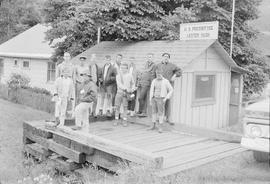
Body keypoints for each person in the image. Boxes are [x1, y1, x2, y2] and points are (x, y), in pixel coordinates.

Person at [156, 53, 182, 124]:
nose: (166, 58)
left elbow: (179, 71)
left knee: (167, 101)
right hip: (160, 86)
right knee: (159, 101)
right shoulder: (158, 65)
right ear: (162, 57)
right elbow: (154, 75)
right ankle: (159, 116)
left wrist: (175, 75)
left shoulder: (172, 66)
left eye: (167, 57)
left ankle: (168, 118)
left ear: (169, 58)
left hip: (168, 86)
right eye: (164, 56)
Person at [149, 68, 173, 133]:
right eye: (157, 74)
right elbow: (151, 90)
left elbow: (171, 90)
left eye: (159, 74)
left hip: (161, 99)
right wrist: (150, 99)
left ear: (162, 74)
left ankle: (160, 127)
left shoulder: (165, 81)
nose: (158, 75)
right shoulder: (154, 81)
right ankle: (153, 125)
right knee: (153, 112)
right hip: (154, 98)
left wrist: (166, 98)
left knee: (160, 113)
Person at [114, 62, 136, 126]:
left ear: (127, 69)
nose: (123, 69)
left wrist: (132, 88)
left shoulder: (130, 75)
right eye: (122, 68)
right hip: (119, 93)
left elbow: (133, 83)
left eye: (124, 68)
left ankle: (124, 120)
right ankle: (116, 120)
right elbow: (119, 84)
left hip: (126, 94)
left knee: (125, 107)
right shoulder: (118, 76)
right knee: (117, 107)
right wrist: (126, 89)